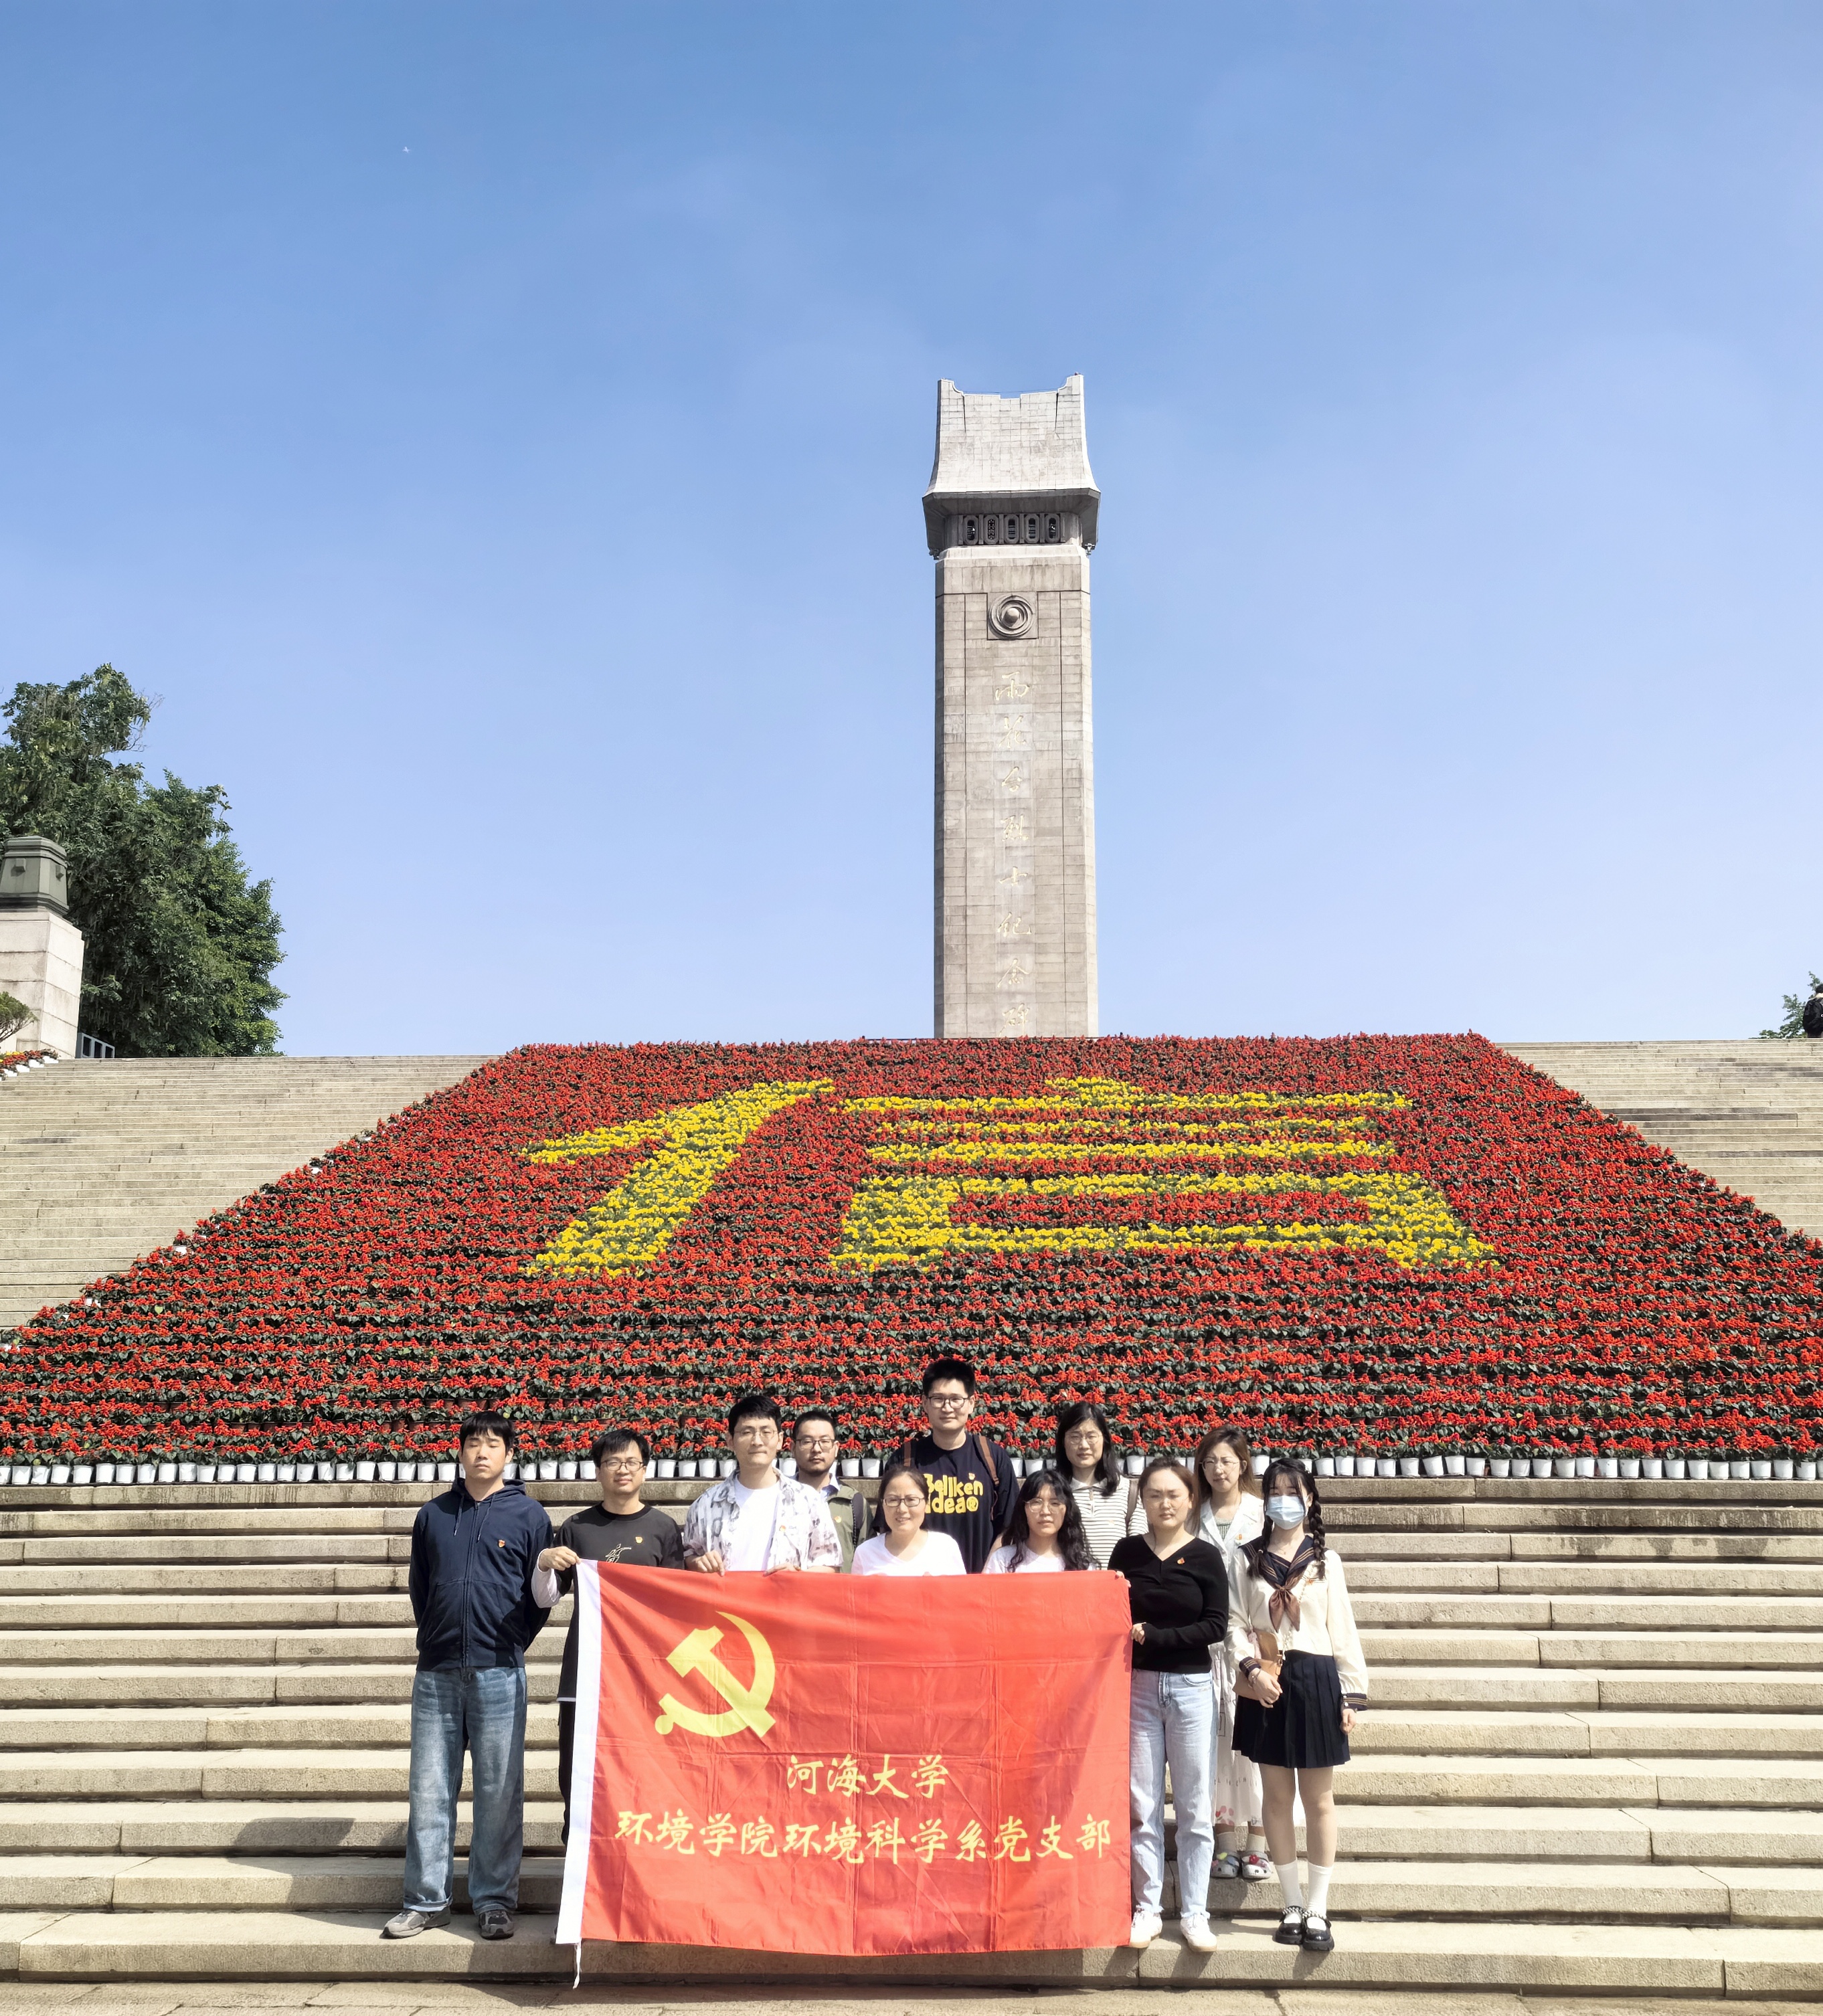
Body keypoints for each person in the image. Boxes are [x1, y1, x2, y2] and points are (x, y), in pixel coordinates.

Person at [385, 1410, 552, 1943]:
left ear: (509, 1454)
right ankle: (425, 1901)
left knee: (499, 1790)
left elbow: (539, 1599)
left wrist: (510, 1641)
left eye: (493, 1444)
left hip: (499, 1668)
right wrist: (439, 1634)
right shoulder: (433, 1515)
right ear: (460, 1452)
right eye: (474, 1443)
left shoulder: (529, 1515)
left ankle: (494, 1900)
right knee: (429, 1787)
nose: (482, 1452)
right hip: (437, 1670)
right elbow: (421, 1586)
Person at [1228, 1458, 1368, 1956]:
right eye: (1275, 1492)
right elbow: (1233, 1623)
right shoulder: (1246, 1558)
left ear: (1309, 1499)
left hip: (1316, 1680)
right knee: (1275, 1797)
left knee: (1319, 1799)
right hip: (1267, 1679)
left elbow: (1342, 1629)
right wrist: (1251, 1670)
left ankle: (1318, 1906)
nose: (1284, 1500)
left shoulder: (1326, 1561)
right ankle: (1290, 1903)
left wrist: (1351, 1695)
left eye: (1293, 1491)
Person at [531, 1428, 684, 1845]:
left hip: (643, 1677)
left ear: (645, 1470)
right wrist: (544, 1563)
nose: (623, 1469)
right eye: (613, 1462)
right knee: (578, 1772)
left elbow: (675, 1604)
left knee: (640, 1774)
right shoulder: (577, 1528)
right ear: (598, 1471)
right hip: (586, 1672)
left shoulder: (663, 1528)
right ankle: (579, 1857)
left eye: (631, 1462)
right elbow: (546, 1598)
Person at [1109, 1458, 1227, 1955]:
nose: (1164, 1503)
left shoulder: (1205, 1555)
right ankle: (1148, 1908)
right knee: (1143, 1805)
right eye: (1154, 1494)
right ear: (1143, 1501)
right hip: (1137, 1687)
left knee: (1196, 1807)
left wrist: (1159, 1637)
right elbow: (1108, 1610)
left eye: (1174, 1494)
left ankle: (1196, 1912)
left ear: (1190, 1499)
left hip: (1191, 1688)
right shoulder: (1127, 1552)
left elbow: (1216, 1625)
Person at [1191, 1423, 1271, 1885]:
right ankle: (1223, 1839)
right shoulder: (1192, 1515)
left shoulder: (1263, 1513)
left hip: (1253, 1644)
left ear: (1243, 1464)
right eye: (1209, 1461)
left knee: (1256, 1741)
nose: (1218, 1469)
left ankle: (1258, 1842)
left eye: (1226, 1460)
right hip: (1206, 1644)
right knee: (1215, 1744)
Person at [682, 1392, 841, 1573]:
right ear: (730, 1441)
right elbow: (688, 1556)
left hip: (786, 1593)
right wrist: (698, 1563)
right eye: (747, 1432)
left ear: (780, 1440)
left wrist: (798, 1576)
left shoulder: (808, 1501)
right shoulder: (705, 1505)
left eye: (766, 1432)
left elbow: (829, 1564)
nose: (757, 1441)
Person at [889, 1355, 1017, 1573]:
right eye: (938, 1399)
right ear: (925, 1403)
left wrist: (988, 1574)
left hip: (979, 1583)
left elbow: (1010, 1527)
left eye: (956, 1399)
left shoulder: (993, 1458)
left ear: (971, 1404)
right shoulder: (905, 1460)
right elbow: (890, 1525)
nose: (947, 1407)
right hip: (921, 1583)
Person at [1053, 1400, 1139, 1568]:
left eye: (1091, 1436)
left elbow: (1139, 1552)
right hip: (1066, 1583)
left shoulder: (1129, 1492)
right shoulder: (1052, 1491)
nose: (1083, 1445)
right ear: (1063, 1441)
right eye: (1075, 1437)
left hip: (1115, 1583)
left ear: (1104, 1440)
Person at [851, 1461, 966, 1576]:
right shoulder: (865, 1553)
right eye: (893, 1500)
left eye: (911, 1500)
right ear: (883, 1505)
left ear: (926, 1503)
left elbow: (961, 1588)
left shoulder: (946, 1548)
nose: (902, 1509)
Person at [790, 1408, 866, 1570]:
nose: (817, 1449)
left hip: (840, 1586)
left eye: (825, 1441)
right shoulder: (780, 1498)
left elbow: (868, 1560)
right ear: (793, 1448)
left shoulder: (853, 1502)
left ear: (836, 1448)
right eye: (807, 1441)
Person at [984, 1468, 1095, 1572]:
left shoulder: (1082, 1565)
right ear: (1024, 1508)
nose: (1045, 1511)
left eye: (1055, 1503)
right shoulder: (1003, 1560)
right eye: (1036, 1502)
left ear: (1067, 1510)